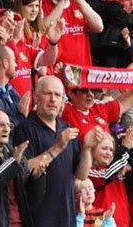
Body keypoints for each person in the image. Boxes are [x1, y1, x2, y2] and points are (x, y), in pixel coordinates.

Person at [13, 75, 104, 226]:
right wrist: (58, 147)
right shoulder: (25, 128)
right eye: (48, 93)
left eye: (57, 95)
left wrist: (87, 148)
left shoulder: (66, 128)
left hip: (66, 216)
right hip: (38, 218)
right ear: (35, 97)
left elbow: (81, 175)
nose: (53, 99)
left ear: (63, 100)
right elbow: (23, 168)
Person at [42, 0, 103, 66]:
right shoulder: (43, 3)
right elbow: (42, 29)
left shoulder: (78, 3)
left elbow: (99, 27)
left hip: (81, 71)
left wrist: (82, 2)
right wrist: (62, 1)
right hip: (56, 71)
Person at [89, 127, 133, 227]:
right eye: (104, 148)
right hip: (97, 223)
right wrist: (124, 148)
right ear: (93, 149)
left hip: (122, 223)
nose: (108, 153)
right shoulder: (89, 171)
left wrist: (131, 148)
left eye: (111, 150)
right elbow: (107, 176)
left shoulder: (119, 169)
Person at [62, 84, 133, 142]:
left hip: (105, 162)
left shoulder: (99, 107)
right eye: (84, 90)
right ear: (71, 94)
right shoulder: (66, 109)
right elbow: (53, 93)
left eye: (92, 90)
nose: (90, 94)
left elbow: (123, 103)